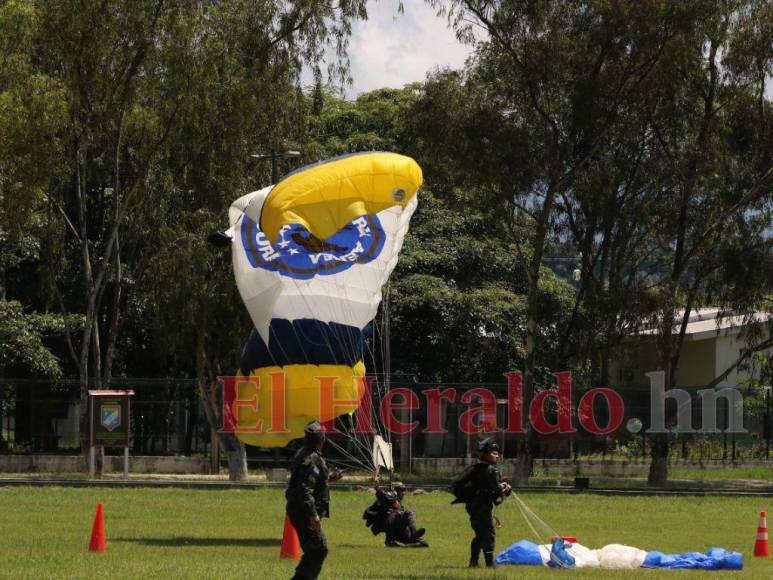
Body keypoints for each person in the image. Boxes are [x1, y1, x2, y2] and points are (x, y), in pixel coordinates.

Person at [285, 421, 343, 580]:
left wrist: (329, 479)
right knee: (318, 550)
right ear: (321, 439)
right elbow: (305, 489)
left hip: (299, 509)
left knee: (316, 550)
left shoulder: (305, 453)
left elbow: (309, 482)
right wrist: (312, 514)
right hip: (303, 512)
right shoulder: (312, 459)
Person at [459, 438, 511, 568]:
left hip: (472, 505)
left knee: (480, 535)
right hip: (481, 506)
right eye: (494, 453)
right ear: (486, 454)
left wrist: (501, 488)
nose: (497, 456)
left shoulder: (477, 468)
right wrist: (505, 488)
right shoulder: (489, 469)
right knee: (488, 534)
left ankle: (473, 562)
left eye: (497, 453)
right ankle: (489, 563)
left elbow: (489, 488)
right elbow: (495, 490)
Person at [364, 480, 428, 547]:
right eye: (401, 490)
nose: (403, 493)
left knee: (424, 543)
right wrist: (377, 488)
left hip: (401, 533)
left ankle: (404, 545)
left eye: (404, 490)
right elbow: (384, 497)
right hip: (393, 531)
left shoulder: (398, 504)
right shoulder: (387, 502)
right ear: (395, 491)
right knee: (409, 512)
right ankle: (413, 534)